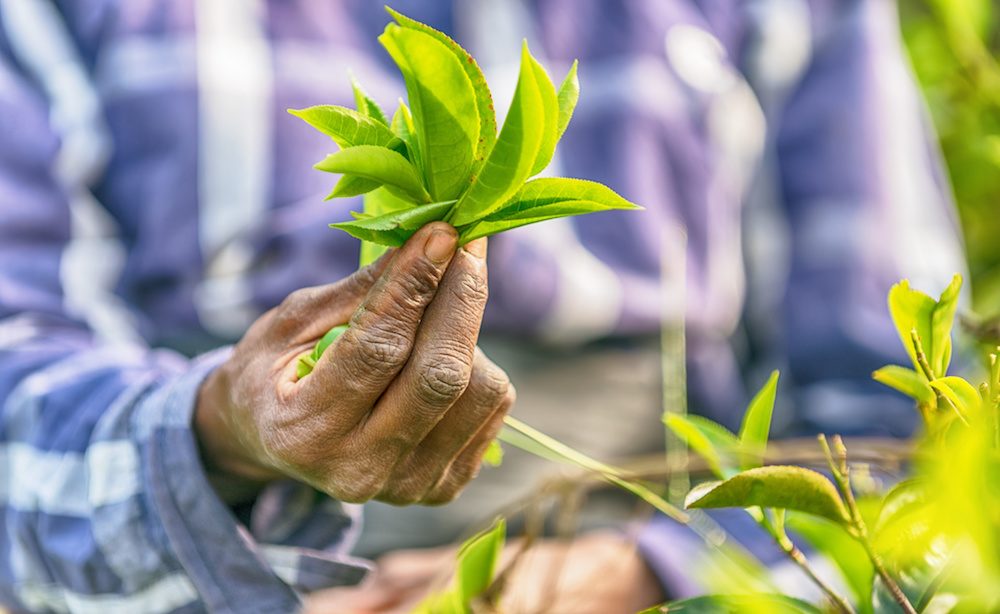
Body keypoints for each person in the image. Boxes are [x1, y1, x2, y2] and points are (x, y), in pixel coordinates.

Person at [0, 1, 964, 613]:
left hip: (634, 551)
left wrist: (659, 573)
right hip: (180, 577)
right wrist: (226, 429)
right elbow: (18, 377)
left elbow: (906, 422)